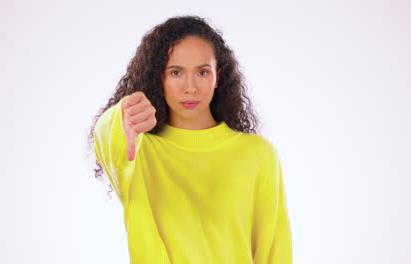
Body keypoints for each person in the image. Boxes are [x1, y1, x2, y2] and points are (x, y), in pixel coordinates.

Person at [89, 15, 292, 264]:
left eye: (202, 72)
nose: (190, 87)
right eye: (175, 72)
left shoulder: (257, 154)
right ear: (158, 77)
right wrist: (125, 115)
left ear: (218, 77)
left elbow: (274, 251)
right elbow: (106, 134)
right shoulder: (139, 152)